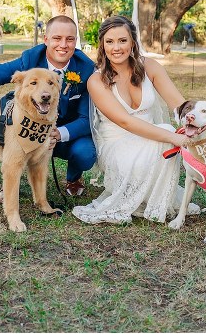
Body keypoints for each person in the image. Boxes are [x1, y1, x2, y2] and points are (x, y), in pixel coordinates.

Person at [71, 16, 194, 224]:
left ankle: (154, 200)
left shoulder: (151, 67)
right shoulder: (96, 80)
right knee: (165, 133)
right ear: (102, 45)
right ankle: (146, 202)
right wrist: (176, 138)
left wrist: (199, 122)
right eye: (109, 42)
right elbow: (125, 122)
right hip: (116, 145)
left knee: (164, 134)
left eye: (122, 40)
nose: (116, 47)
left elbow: (180, 106)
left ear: (133, 43)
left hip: (152, 138)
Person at [0, 15, 97, 198]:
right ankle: (12, 178)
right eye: (57, 38)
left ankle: (73, 178)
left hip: (64, 134)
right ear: (46, 40)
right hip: (28, 131)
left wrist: (59, 133)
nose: (63, 45)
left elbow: (86, 118)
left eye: (70, 39)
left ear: (76, 41)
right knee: (13, 135)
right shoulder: (29, 61)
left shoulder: (86, 69)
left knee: (86, 152)